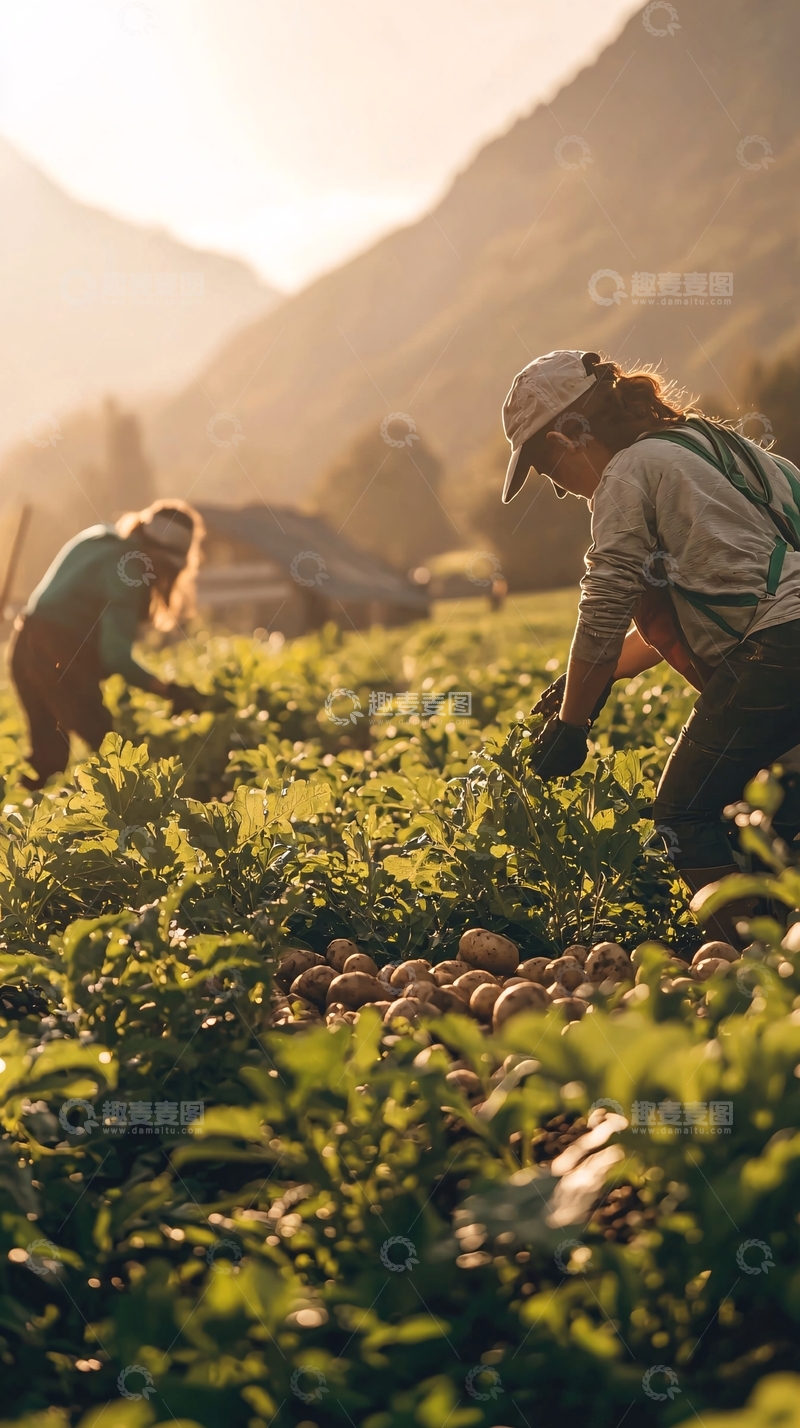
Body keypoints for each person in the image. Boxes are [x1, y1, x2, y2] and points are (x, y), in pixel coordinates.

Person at [501, 348, 800, 945]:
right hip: (785, 638)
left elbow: (609, 595)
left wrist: (572, 725)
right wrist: (603, 674)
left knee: (683, 815)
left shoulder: (628, 471)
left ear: (571, 434)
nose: (558, 490)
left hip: (777, 648)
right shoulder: (715, 445)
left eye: (547, 467)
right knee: (778, 818)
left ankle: (765, 974)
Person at [11, 499, 205, 789]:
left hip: (24, 648)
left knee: (46, 761)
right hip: (59, 659)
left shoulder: (99, 537)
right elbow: (115, 657)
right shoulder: (130, 572)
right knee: (112, 754)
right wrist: (168, 690)